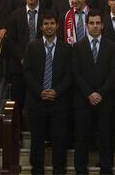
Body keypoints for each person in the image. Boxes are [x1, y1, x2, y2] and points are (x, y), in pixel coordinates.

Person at [23, 10, 73, 175]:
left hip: (59, 103)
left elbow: (69, 74)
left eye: (52, 23)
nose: (49, 26)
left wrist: (56, 91)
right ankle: (37, 171)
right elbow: (27, 72)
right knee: (37, 142)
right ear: (41, 26)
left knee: (59, 142)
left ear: (57, 25)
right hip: (37, 102)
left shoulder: (66, 48)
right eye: (46, 23)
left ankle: (59, 171)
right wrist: (40, 91)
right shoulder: (32, 46)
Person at [72, 10, 115, 174]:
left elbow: (114, 72)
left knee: (105, 138)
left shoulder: (111, 46)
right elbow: (76, 73)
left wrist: (100, 93)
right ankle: (80, 169)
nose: (95, 26)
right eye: (92, 23)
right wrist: (89, 93)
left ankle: (106, 169)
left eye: (98, 23)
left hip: (105, 100)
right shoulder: (78, 47)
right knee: (82, 138)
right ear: (87, 25)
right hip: (84, 100)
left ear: (103, 25)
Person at [6, 0, 42, 114]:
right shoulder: (15, 15)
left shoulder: (46, 15)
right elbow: (10, 40)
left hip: (41, 66)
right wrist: (22, 57)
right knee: (17, 106)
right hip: (19, 67)